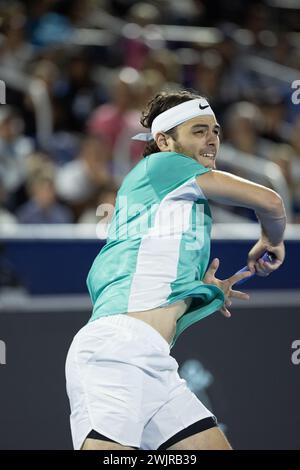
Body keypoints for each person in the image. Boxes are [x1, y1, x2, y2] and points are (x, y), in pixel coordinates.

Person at [65, 90, 286, 450]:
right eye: (198, 131)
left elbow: (148, 274)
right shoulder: (162, 166)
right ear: (164, 141)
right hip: (117, 350)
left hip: (153, 359)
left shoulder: (172, 206)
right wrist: (271, 238)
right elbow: (270, 201)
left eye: (215, 130)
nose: (212, 138)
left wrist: (202, 289)